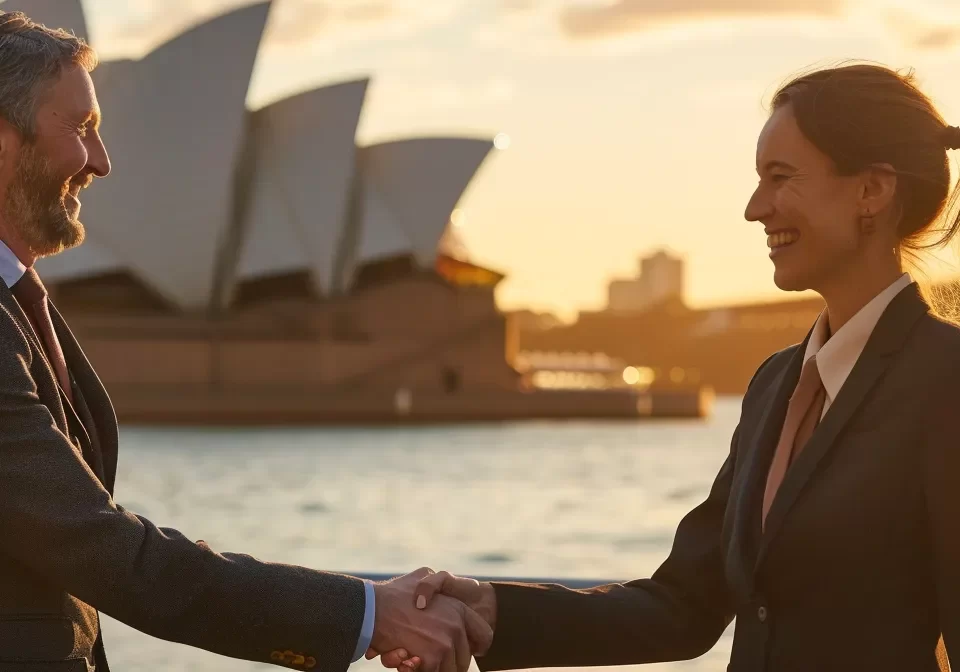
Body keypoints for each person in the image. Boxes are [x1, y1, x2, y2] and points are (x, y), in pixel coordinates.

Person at [378, 63, 960, 671]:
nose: (754, 208)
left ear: (873, 190)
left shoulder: (947, 384)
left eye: (780, 177)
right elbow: (684, 605)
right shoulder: (775, 385)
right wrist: (494, 610)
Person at [0, 12, 492, 672]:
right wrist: (369, 613)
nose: (102, 162)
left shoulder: (24, 304)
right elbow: (105, 549)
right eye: (81, 128)